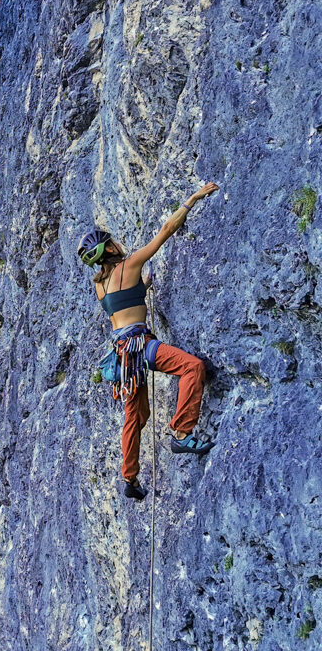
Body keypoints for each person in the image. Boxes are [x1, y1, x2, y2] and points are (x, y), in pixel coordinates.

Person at [77, 183, 219, 501]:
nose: (117, 242)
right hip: (140, 346)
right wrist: (192, 199)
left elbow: (124, 303)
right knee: (193, 367)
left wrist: (143, 287)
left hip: (122, 355)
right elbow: (166, 230)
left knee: (135, 416)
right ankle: (182, 432)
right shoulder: (129, 265)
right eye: (112, 241)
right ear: (110, 250)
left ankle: (130, 478)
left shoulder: (100, 286)